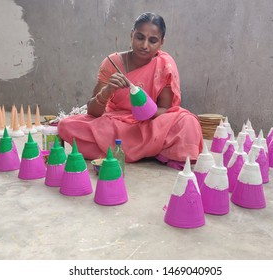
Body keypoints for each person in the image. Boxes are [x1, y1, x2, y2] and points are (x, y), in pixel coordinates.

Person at [58, 12, 203, 170]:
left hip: (149, 123)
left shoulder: (164, 65)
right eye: (140, 37)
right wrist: (107, 91)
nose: (145, 45)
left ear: (161, 42)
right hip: (116, 122)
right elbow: (93, 112)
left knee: (188, 122)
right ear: (132, 35)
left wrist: (143, 109)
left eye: (153, 40)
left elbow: (166, 110)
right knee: (66, 125)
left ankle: (127, 149)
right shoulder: (112, 62)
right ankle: (153, 149)